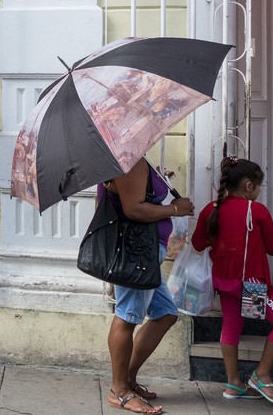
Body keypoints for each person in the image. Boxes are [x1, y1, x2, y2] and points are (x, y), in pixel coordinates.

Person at [103, 157, 194, 414]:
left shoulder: (134, 161)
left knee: (166, 313)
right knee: (127, 316)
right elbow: (134, 210)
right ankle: (119, 392)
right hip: (137, 251)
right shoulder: (127, 161)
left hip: (146, 250)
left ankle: (127, 380)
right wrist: (175, 209)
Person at [190, 156, 273, 402]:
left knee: (231, 326)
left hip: (223, 282)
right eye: (260, 185)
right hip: (250, 285)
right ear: (249, 186)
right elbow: (272, 248)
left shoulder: (212, 209)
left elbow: (197, 244)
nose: (260, 190)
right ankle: (262, 375)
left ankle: (233, 384)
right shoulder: (256, 210)